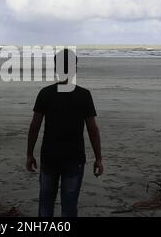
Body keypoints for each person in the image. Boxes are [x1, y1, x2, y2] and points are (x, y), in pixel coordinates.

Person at [26, 49, 103, 217]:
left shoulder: (45, 93)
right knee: (69, 206)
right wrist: (98, 158)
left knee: (46, 203)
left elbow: (34, 126)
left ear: (56, 68)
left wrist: (29, 154)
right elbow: (93, 129)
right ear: (74, 69)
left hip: (49, 156)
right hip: (74, 158)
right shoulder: (83, 95)